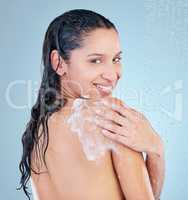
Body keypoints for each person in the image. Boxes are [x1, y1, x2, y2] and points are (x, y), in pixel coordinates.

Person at [18, 9, 165, 200]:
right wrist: (157, 150)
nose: (112, 75)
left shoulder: (38, 131)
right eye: (95, 60)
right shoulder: (110, 118)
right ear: (58, 63)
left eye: (116, 59)